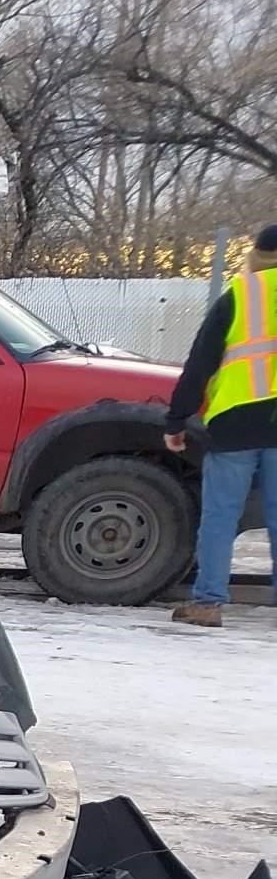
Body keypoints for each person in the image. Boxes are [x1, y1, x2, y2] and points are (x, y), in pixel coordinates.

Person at [162, 222, 277, 628]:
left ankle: (209, 602)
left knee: (221, 516)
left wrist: (176, 418)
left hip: (235, 425)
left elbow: (200, 364)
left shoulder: (239, 297)